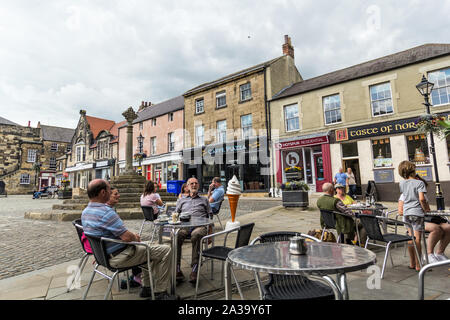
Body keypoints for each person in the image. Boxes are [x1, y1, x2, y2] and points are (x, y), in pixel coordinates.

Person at [81, 179, 175, 300]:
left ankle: (146, 288)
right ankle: (160, 293)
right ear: (103, 192)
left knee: (150, 246)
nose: (111, 192)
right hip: (120, 257)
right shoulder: (106, 212)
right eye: (110, 190)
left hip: (104, 257)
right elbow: (127, 237)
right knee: (165, 250)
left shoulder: (85, 212)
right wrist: (135, 237)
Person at [398, 167, 450, 269]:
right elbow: (400, 210)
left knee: (448, 227)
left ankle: (439, 253)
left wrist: (427, 210)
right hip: (417, 217)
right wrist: (422, 209)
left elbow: (425, 205)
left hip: (426, 217)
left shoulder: (420, 193)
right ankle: (428, 255)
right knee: (435, 229)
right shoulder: (407, 193)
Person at [174, 177, 212, 283]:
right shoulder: (182, 200)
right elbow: (175, 215)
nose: (194, 185)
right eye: (191, 183)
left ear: (198, 186)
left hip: (200, 226)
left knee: (196, 235)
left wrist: (210, 233)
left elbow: (210, 216)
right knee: (177, 235)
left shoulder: (204, 200)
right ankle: (177, 269)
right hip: (185, 226)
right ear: (187, 186)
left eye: (196, 183)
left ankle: (195, 269)